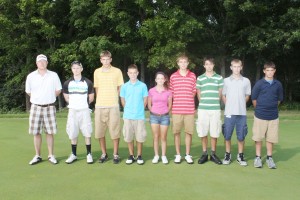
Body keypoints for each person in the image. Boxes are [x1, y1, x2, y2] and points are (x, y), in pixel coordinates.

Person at [25, 54, 62, 165]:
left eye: (44, 61)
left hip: (50, 107)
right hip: (36, 107)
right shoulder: (31, 76)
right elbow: (28, 91)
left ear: (47, 63)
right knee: (36, 133)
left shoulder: (53, 75)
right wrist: (38, 98)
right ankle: (37, 155)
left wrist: (49, 97)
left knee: (49, 132)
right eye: (39, 61)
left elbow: (58, 90)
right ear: (36, 63)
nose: (42, 63)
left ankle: (51, 155)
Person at [94, 50, 124, 164]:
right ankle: (104, 154)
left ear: (110, 59)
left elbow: (120, 86)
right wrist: (100, 100)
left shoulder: (117, 71)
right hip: (100, 106)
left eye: (107, 59)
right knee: (100, 132)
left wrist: (114, 97)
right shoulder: (97, 72)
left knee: (115, 131)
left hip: (113, 106)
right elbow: (97, 88)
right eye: (103, 59)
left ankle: (116, 154)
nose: (106, 61)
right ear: (101, 60)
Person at [251, 61, 283, 169]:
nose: (270, 72)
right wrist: (260, 109)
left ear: (274, 71)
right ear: (264, 71)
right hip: (260, 115)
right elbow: (254, 99)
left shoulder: (278, 84)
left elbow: (279, 100)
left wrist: (271, 108)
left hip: (273, 116)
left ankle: (269, 158)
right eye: (267, 70)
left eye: (272, 70)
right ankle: (258, 158)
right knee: (258, 138)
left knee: (271, 138)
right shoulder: (259, 83)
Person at [63, 61, 95, 164]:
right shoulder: (67, 83)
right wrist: (74, 104)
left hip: (84, 110)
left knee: (87, 131)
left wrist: (82, 104)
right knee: (72, 132)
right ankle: (73, 154)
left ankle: (89, 154)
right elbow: (66, 97)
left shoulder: (88, 82)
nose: (76, 70)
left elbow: (91, 97)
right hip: (72, 111)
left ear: (81, 69)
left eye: (78, 68)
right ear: (72, 69)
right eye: (74, 68)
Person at [221, 59, 251, 166]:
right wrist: (228, 104)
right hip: (229, 113)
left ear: (241, 67)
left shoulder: (246, 81)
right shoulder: (226, 81)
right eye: (234, 66)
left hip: (242, 113)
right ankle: (227, 155)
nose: (236, 69)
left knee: (241, 136)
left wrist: (241, 103)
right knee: (227, 135)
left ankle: (240, 155)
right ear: (231, 67)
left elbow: (247, 95)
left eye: (238, 66)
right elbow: (223, 95)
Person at [170, 55, 197, 164]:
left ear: (188, 63)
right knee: (176, 133)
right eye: (181, 62)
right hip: (177, 109)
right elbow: (171, 93)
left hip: (189, 109)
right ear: (178, 63)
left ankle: (187, 154)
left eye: (185, 62)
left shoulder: (193, 76)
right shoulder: (173, 76)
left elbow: (194, 91)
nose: (183, 64)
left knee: (188, 133)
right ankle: (178, 154)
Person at [196, 57, 223, 165]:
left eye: (211, 64)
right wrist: (204, 104)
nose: (209, 66)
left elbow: (220, 93)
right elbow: (199, 93)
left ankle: (213, 154)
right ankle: (204, 153)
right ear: (204, 66)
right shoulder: (200, 78)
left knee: (214, 132)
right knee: (203, 131)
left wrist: (215, 104)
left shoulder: (219, 78)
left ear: (213, 65)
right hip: (203, 109)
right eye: (207, 64)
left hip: (215, 109)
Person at [120, 64, 148, 165]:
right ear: (128, 74)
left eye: (134, 73)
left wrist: (141, 108)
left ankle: (139, 155)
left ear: (137, 73)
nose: (133, 75)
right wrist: (126, 108)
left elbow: (145, 99)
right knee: (129, 136)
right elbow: (122, 99)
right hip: (127, 116)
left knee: (140, 137)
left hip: (139, 116)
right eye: (130, 73)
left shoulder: (143, 85)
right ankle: (131, 155)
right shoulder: (124, 86)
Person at [148, 72, 172, 164]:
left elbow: (170, 104)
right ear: (156, 80)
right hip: (154, 116)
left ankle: (163, 156)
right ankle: (156, 155)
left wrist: (166, 111)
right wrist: (153, 111)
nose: (160, 80)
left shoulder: (168, 91)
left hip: (165, 117)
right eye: (158, 78)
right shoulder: (151, 91)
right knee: (155, 136)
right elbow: (149, 104)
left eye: (162, 78)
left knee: (163, 137)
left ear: (165, 80)